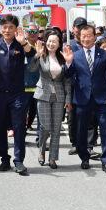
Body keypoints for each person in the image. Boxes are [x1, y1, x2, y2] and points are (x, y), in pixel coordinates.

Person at [0, 16, 34, 174]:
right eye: (4, 27)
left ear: (16, 28)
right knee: (1, 126)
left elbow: (31, 55)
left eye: (11, 27)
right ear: (1, 29)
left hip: (17, 93)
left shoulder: (20, 43)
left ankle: (19, 160)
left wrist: (24, 41)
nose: (7, 30)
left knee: (18, 126)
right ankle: (4, 158)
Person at [63, 25, 106, 174]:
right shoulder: (76, 55)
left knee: (105, 129)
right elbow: (67, 75)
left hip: (102, 98)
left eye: (89, 35)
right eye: (83, 36)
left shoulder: (104, 54)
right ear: (80, 38)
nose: (86, 39)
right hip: (82, 98)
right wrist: (68, 62)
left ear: (95, 37)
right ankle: (84, 158)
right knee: (81, 129)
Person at [30, 31, 72, 169]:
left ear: (59, 43)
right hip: (43, 94)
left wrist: (68, 99)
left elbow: (67, 80)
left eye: (54, 41)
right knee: (45, 126)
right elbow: (31, 68)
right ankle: (42, 150)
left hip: (59, 96)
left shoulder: (63, 57)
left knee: (55, 129)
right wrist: (37, 54)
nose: (51, 44)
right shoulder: (42, 55)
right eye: (49, 41)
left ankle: (53, 158)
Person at [24, 22, 41, 132]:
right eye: (29, 31)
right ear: (26, 33)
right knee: (21, 116)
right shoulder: (21, 47)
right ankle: (21, 138)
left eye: (35, 31)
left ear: (38, 32)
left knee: (41, 117)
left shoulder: (44, 47)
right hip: (24, 88)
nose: (32, 34)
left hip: (41, 88)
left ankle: (40, 140)